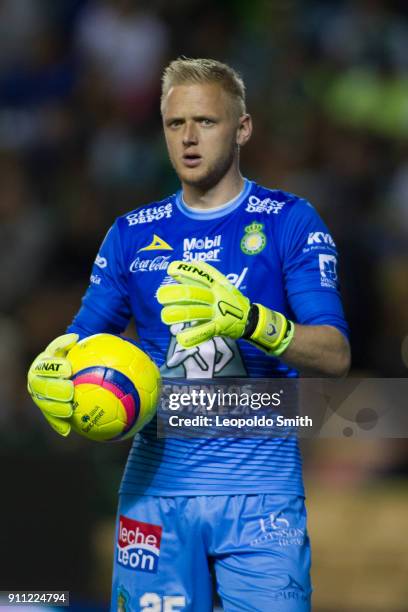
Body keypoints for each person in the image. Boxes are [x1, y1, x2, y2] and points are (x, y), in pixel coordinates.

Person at [28, 58, 350, 611]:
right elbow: (79, 343)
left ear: (242, 128)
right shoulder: (131, 235)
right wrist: (50, 373)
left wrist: (252, 322)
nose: (189, 138)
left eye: (206, 121)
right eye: (176, 124)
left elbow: (335, 353)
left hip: (260, 500)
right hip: (156, 498)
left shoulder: (290, 221)